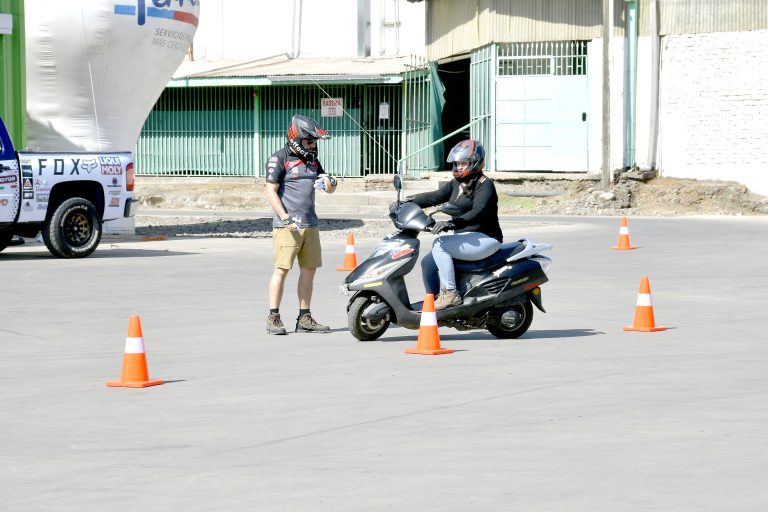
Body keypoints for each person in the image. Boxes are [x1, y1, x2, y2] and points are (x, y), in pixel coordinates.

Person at [404, 139, 503, 310]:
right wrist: (408, 202)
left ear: (475, 162)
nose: (458, 167)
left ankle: (450, 293)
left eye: (463, 163)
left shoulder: (485, 185)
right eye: (457, 163)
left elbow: (477, 212)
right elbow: (435, 196)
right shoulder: (457, 183)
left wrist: (451, 224)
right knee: (427, 263)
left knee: (440, 244)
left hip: (486, 238)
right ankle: (434, 301)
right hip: (467, 238)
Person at [264, 114, 338, 335]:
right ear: (296, 138)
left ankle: (304, 317)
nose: (313, 145)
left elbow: (329, 186)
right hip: (287, 226)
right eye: (309, 141)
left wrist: (330, 183)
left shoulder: (313, 161)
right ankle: (273, 317)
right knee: (282, 269)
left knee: (309, 271)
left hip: (310, 224)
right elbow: (270, 191)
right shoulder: (279, 159)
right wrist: (285, 217)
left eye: (314, 141)